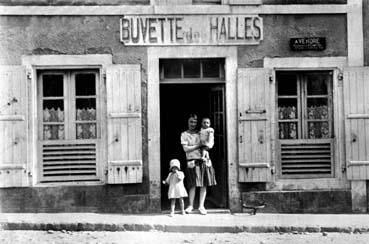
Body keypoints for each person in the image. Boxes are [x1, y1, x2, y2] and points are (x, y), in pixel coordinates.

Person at [180, 114, 216, 215]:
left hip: (203, 160)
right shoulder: (184, 134)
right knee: (192, 184)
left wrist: (207, 147)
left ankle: (201, 206)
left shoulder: (201, 132)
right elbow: (186, 149)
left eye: (195, 122)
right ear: (187, 122)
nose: (193, 124)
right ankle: (190, 205)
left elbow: (209, 143)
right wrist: (199, 145)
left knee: (203, 184)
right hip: (192, 161)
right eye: (191, 121)